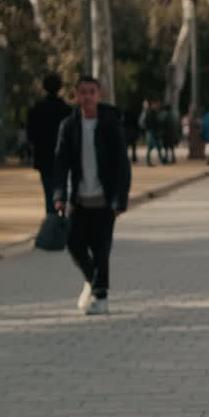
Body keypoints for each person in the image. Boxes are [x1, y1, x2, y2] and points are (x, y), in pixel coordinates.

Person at [52, 76, 131, 316]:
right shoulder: (68, 126)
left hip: (105, 200)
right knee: (74, 245)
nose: (87, 97)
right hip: (78, 199)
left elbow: (122, 165)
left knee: (101, 250)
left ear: (99, 95)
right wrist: (59, 195)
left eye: (92, 92)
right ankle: (93, 281)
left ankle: (101, 297)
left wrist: (120, 200)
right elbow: (60, 163)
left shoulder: (110, 124)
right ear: (76, 96)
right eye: (82, 92)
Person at [26, 74, 73, 215]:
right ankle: (62, 221)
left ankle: (52, 221)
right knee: (63, 191)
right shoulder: (66, 110)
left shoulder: (36, 109)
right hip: (64, 158)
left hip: (44, 157)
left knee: (49, 193)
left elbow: (31, 135)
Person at [140, 99, 164, 166]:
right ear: (154, 104)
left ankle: (161, 160)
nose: (158, 106)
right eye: (157, 104)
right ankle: (150, 162)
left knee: (157, 147)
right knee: (151, 147)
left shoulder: (154, 112)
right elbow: (147, 122)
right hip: (151, 132)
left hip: (154, 132)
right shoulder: (150, 112)